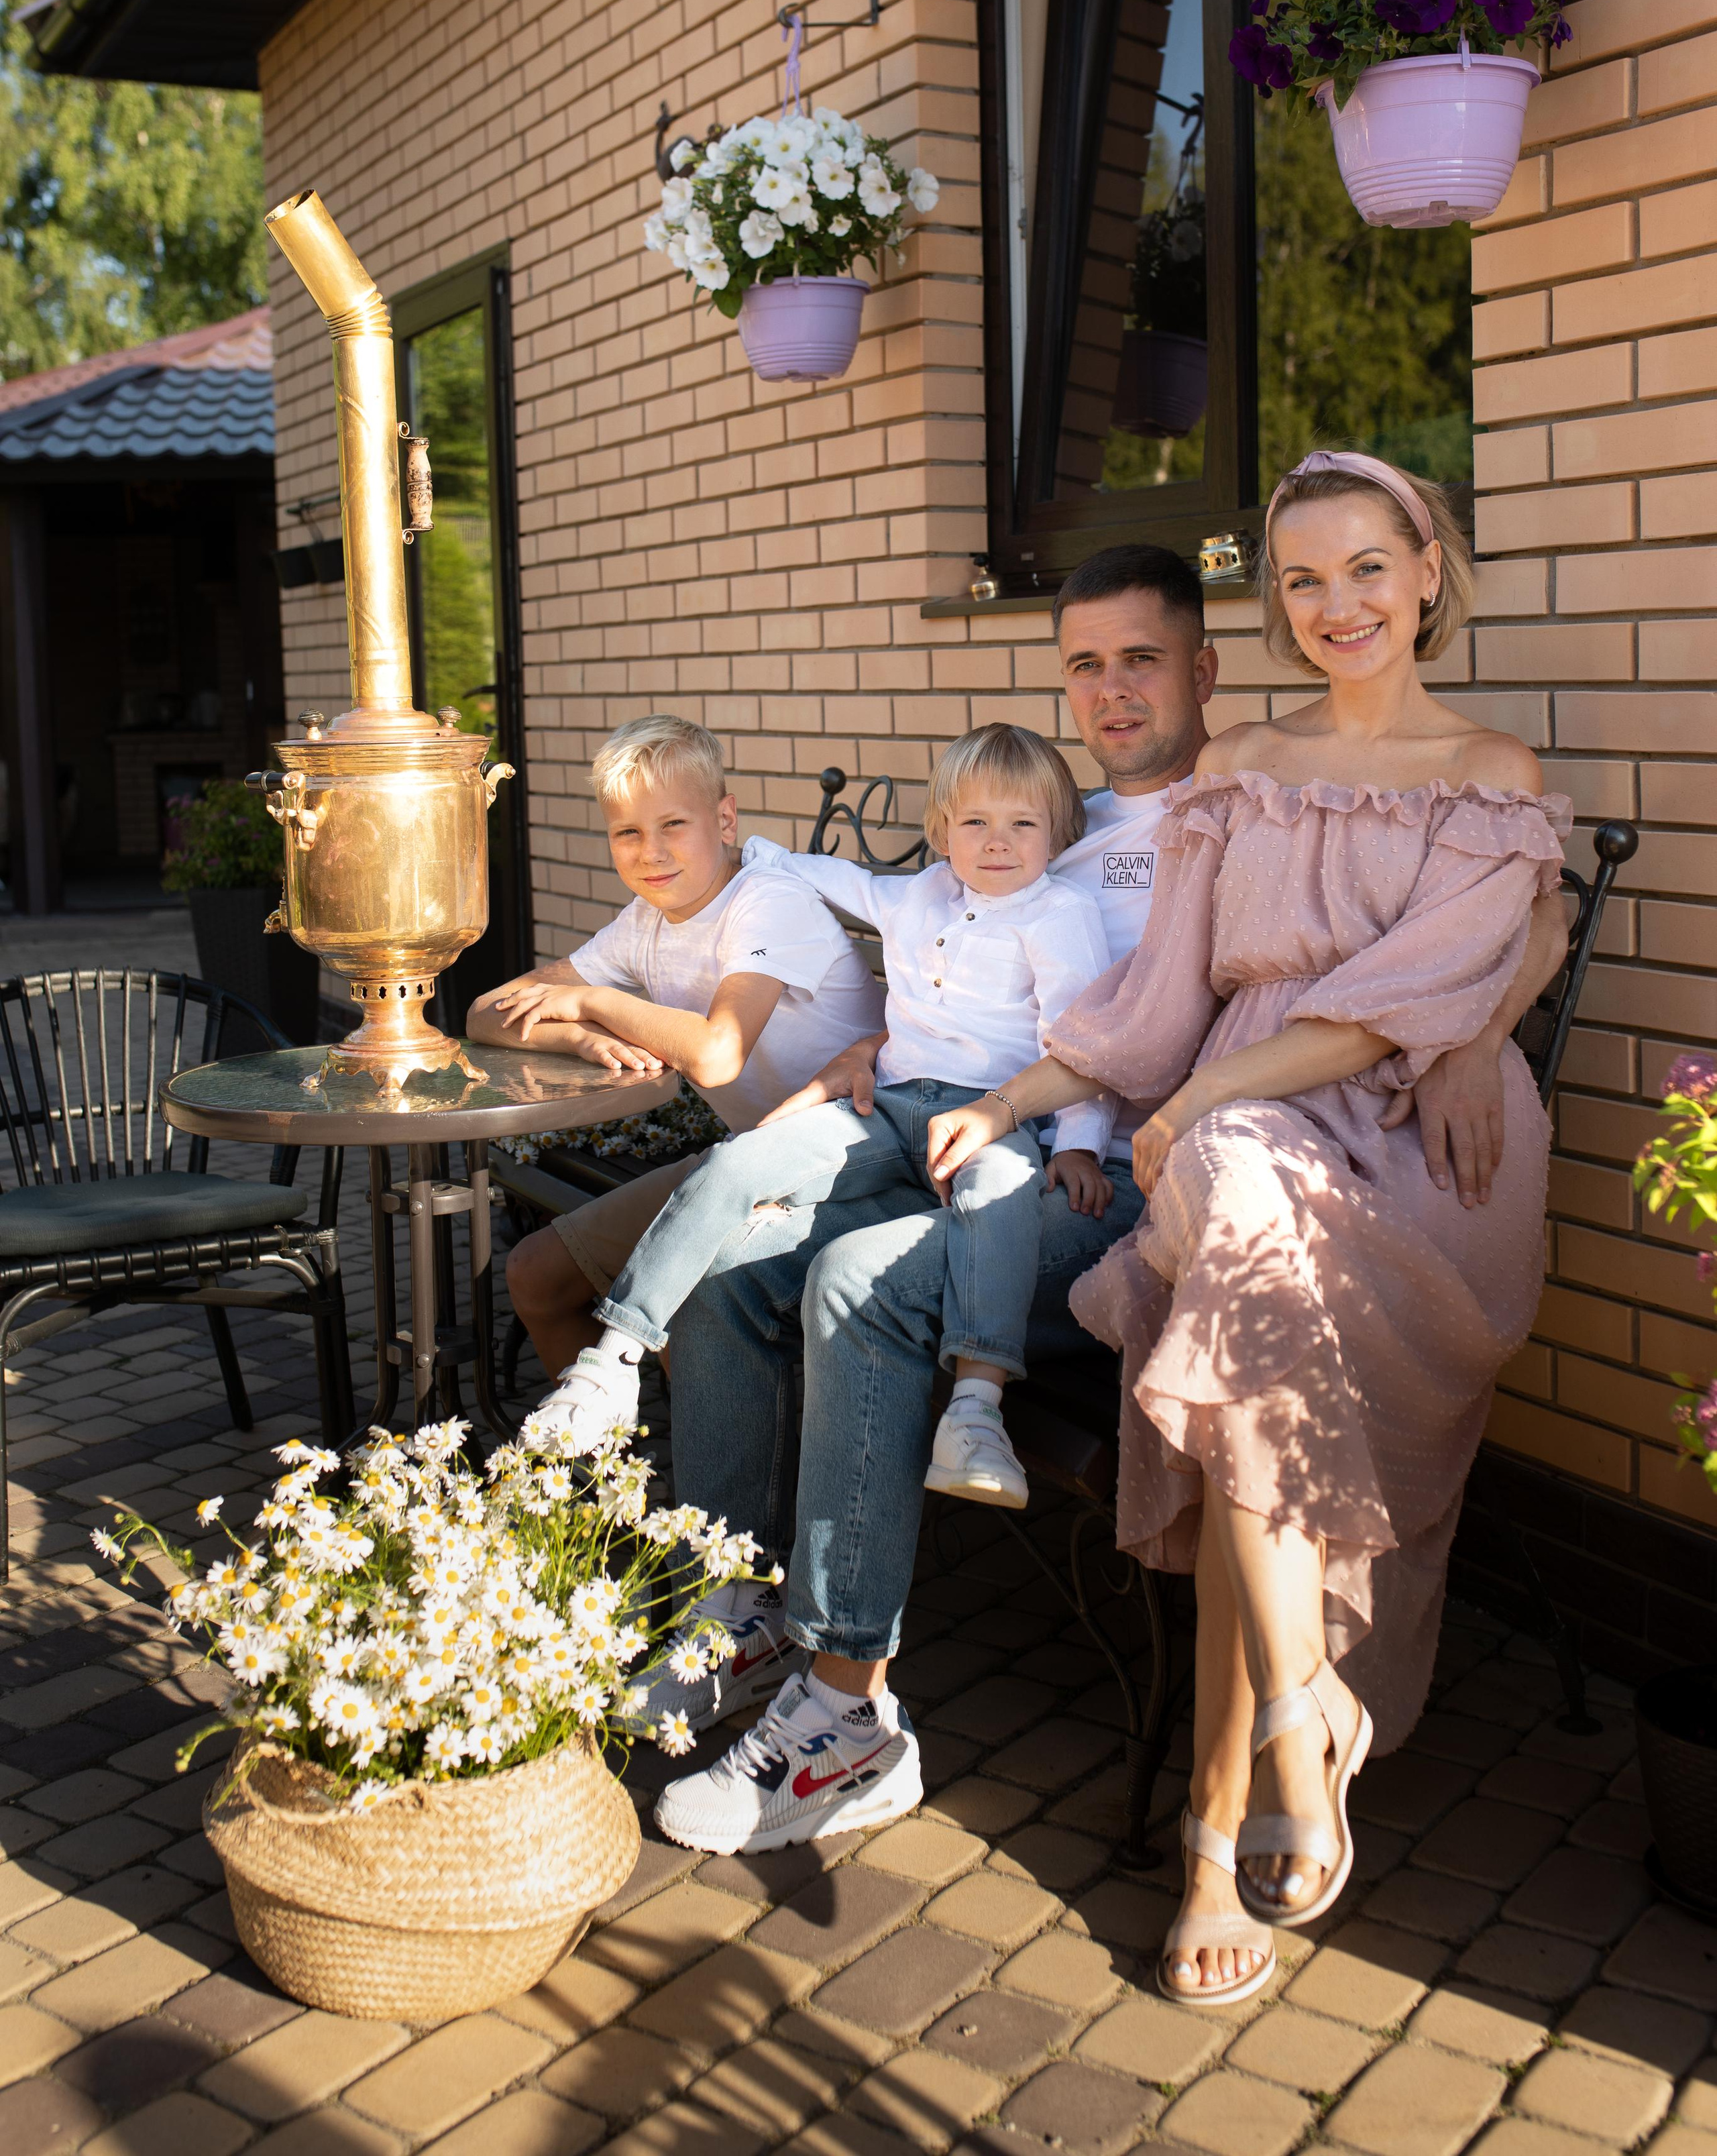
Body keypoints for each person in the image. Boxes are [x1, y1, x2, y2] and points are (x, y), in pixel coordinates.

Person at [637, 537, 1569, 1871]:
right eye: (1085, 666)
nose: (1112, 690)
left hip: (1144, 1177)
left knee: (860, 1281)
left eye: (1142, 659)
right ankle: (740, 1610)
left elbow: (1517, 907)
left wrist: (1477, 1037)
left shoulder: (1256, 786)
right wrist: (888, 1053)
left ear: (1205, 666)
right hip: (1001, 1138)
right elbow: (949, 953)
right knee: (737, 1261)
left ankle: (845, 1716)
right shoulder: (1045, 818)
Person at [923, 451, 1571, 2008]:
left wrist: (1239, 1089)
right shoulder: (1244, 772)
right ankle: (1284, 1735)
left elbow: (1402, 999)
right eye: (1300, 579)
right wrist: (1016, 1098)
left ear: (1425, 569)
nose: (1334, 603)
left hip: (1420, 1156)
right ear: (1273, 605)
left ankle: (1238, 1810)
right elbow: (1152, 1007)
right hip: (1247, 1163)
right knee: (1235, 1308)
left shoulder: (1489, 762)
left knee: (1218, 1186)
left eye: (1364, 567)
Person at [573, 723, 1115, 1498]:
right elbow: (846, 881)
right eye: (974, 823)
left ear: (1057, 833)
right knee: (743, 1159)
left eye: (1022, 824)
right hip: (887, 1102)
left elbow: (1083, 1043)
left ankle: (974, 1407)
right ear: (942, 832)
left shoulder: (1057, 916)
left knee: (998, 1201)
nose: (997, 844)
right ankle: (613, 1359)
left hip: (998, 1116)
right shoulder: (922, 894)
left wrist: (1082, 1145)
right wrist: (760, 856)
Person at [469, 716, 883, 1414]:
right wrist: (574, 1034)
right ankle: (608, 1498)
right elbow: (486, 1012)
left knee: (689, 1313)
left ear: (724, 820)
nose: (650, 852)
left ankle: (710, 1489)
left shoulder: (765, 902)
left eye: (673, 825)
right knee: (536, 1273)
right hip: (751, 1161)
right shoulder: (647, 920)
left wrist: (590, 999)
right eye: (627, 832)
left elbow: (717, 1054)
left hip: (855, 1163)